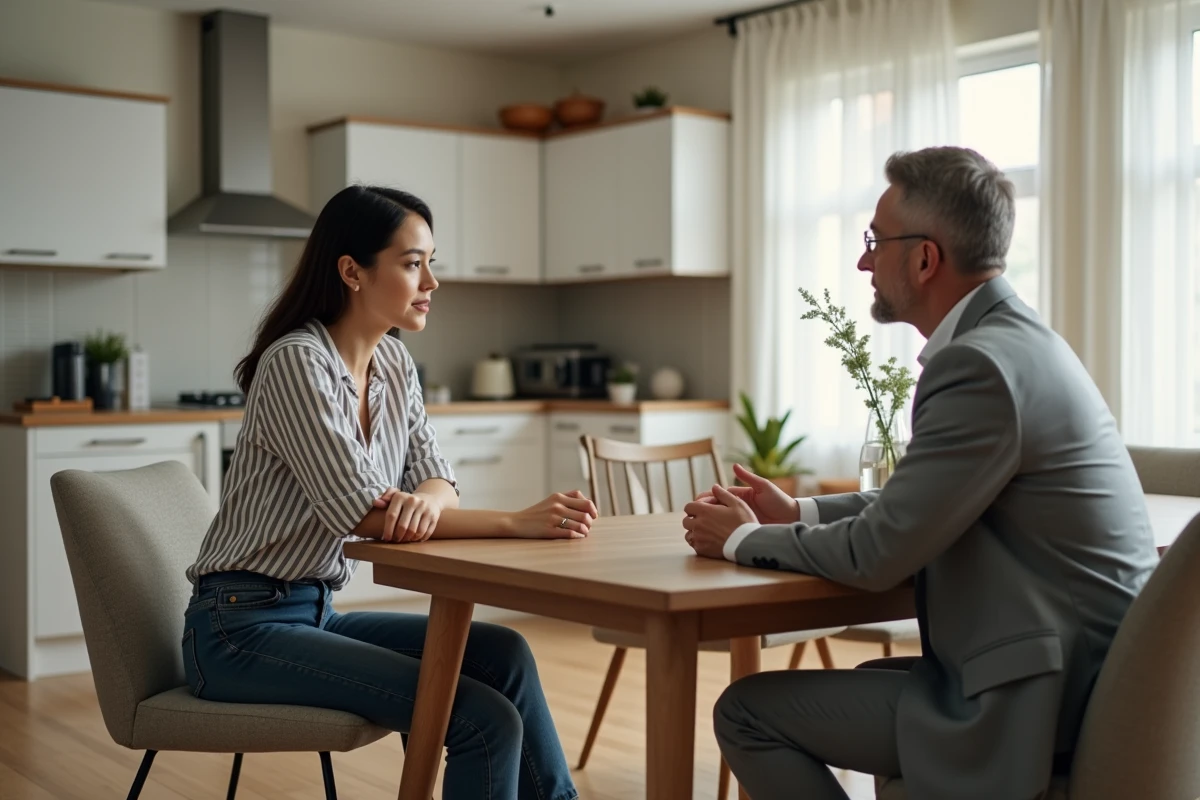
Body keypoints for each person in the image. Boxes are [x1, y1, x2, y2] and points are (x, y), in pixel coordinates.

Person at [681, 147, 1159, 800]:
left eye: (874, 241)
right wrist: (799, 513)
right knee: (856, 685)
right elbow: (919, 505)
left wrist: (741, 539)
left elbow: (879, 554)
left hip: (1043, 707)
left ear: (925, 258)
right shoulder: (1018, 343)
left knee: (746, 711)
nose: (863, 262)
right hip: (1081, 679)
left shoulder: (979, 366)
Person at [182, 185, 593, 800]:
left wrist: (423, 501)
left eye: (431, 262)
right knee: (481, 720)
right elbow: (363, 514)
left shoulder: (395, 364)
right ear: (352, 271)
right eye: (412, 263)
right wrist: (514, 522)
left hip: (316, 613)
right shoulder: (297, 362)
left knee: (504, 653)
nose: (432, 281)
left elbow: (439, 479)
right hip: (238, 629)